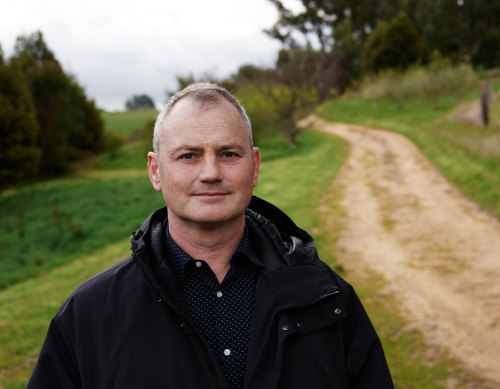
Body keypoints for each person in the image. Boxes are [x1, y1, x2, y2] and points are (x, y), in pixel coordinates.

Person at [28, 83, 393, 389]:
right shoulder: (87, 315)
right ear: (156, 171)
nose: (211, 172)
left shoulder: (327, 299)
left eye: (229, 153)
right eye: (188, 156)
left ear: (254, 167)